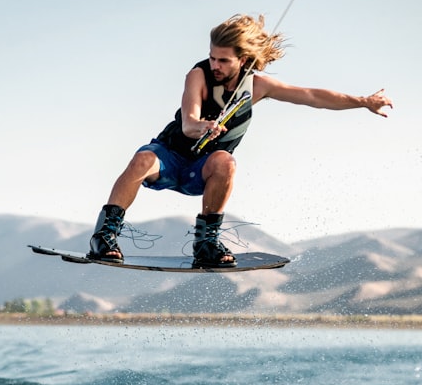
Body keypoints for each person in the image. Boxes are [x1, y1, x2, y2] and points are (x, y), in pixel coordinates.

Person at [88, 13, 393, 268]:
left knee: (226, 161)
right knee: (142, 158)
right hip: (170, 157)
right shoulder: (198, 75)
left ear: (242, 59)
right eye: (212, 57)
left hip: (204, 171)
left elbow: (313, 96)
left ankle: (206, 244)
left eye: (222, 60)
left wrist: (364, 101)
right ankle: (104, 236)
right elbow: (188, 120)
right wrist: (201, 126)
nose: (215, 65)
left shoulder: (258, 86)